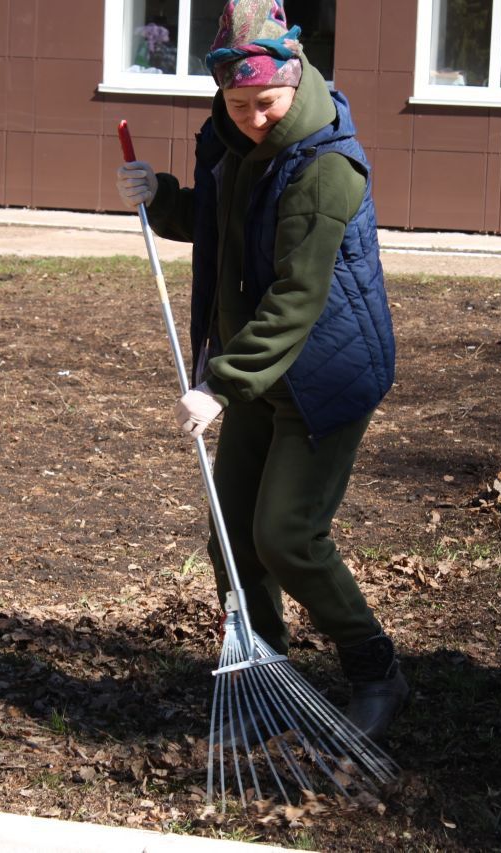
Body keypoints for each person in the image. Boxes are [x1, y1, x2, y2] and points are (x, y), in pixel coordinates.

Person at [116, 0, 406, 740]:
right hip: (257, 372)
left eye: (265, 102)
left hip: (324, 373)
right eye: (237, 103)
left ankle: (376, 668)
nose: (252, 118)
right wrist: (165, 200)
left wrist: (217, 384)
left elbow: (296, 295)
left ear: (295, 78)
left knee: (286, 532)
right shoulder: (228, 142)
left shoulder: (327, 167)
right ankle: (260, 674)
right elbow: (227, 225)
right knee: (233, 536)